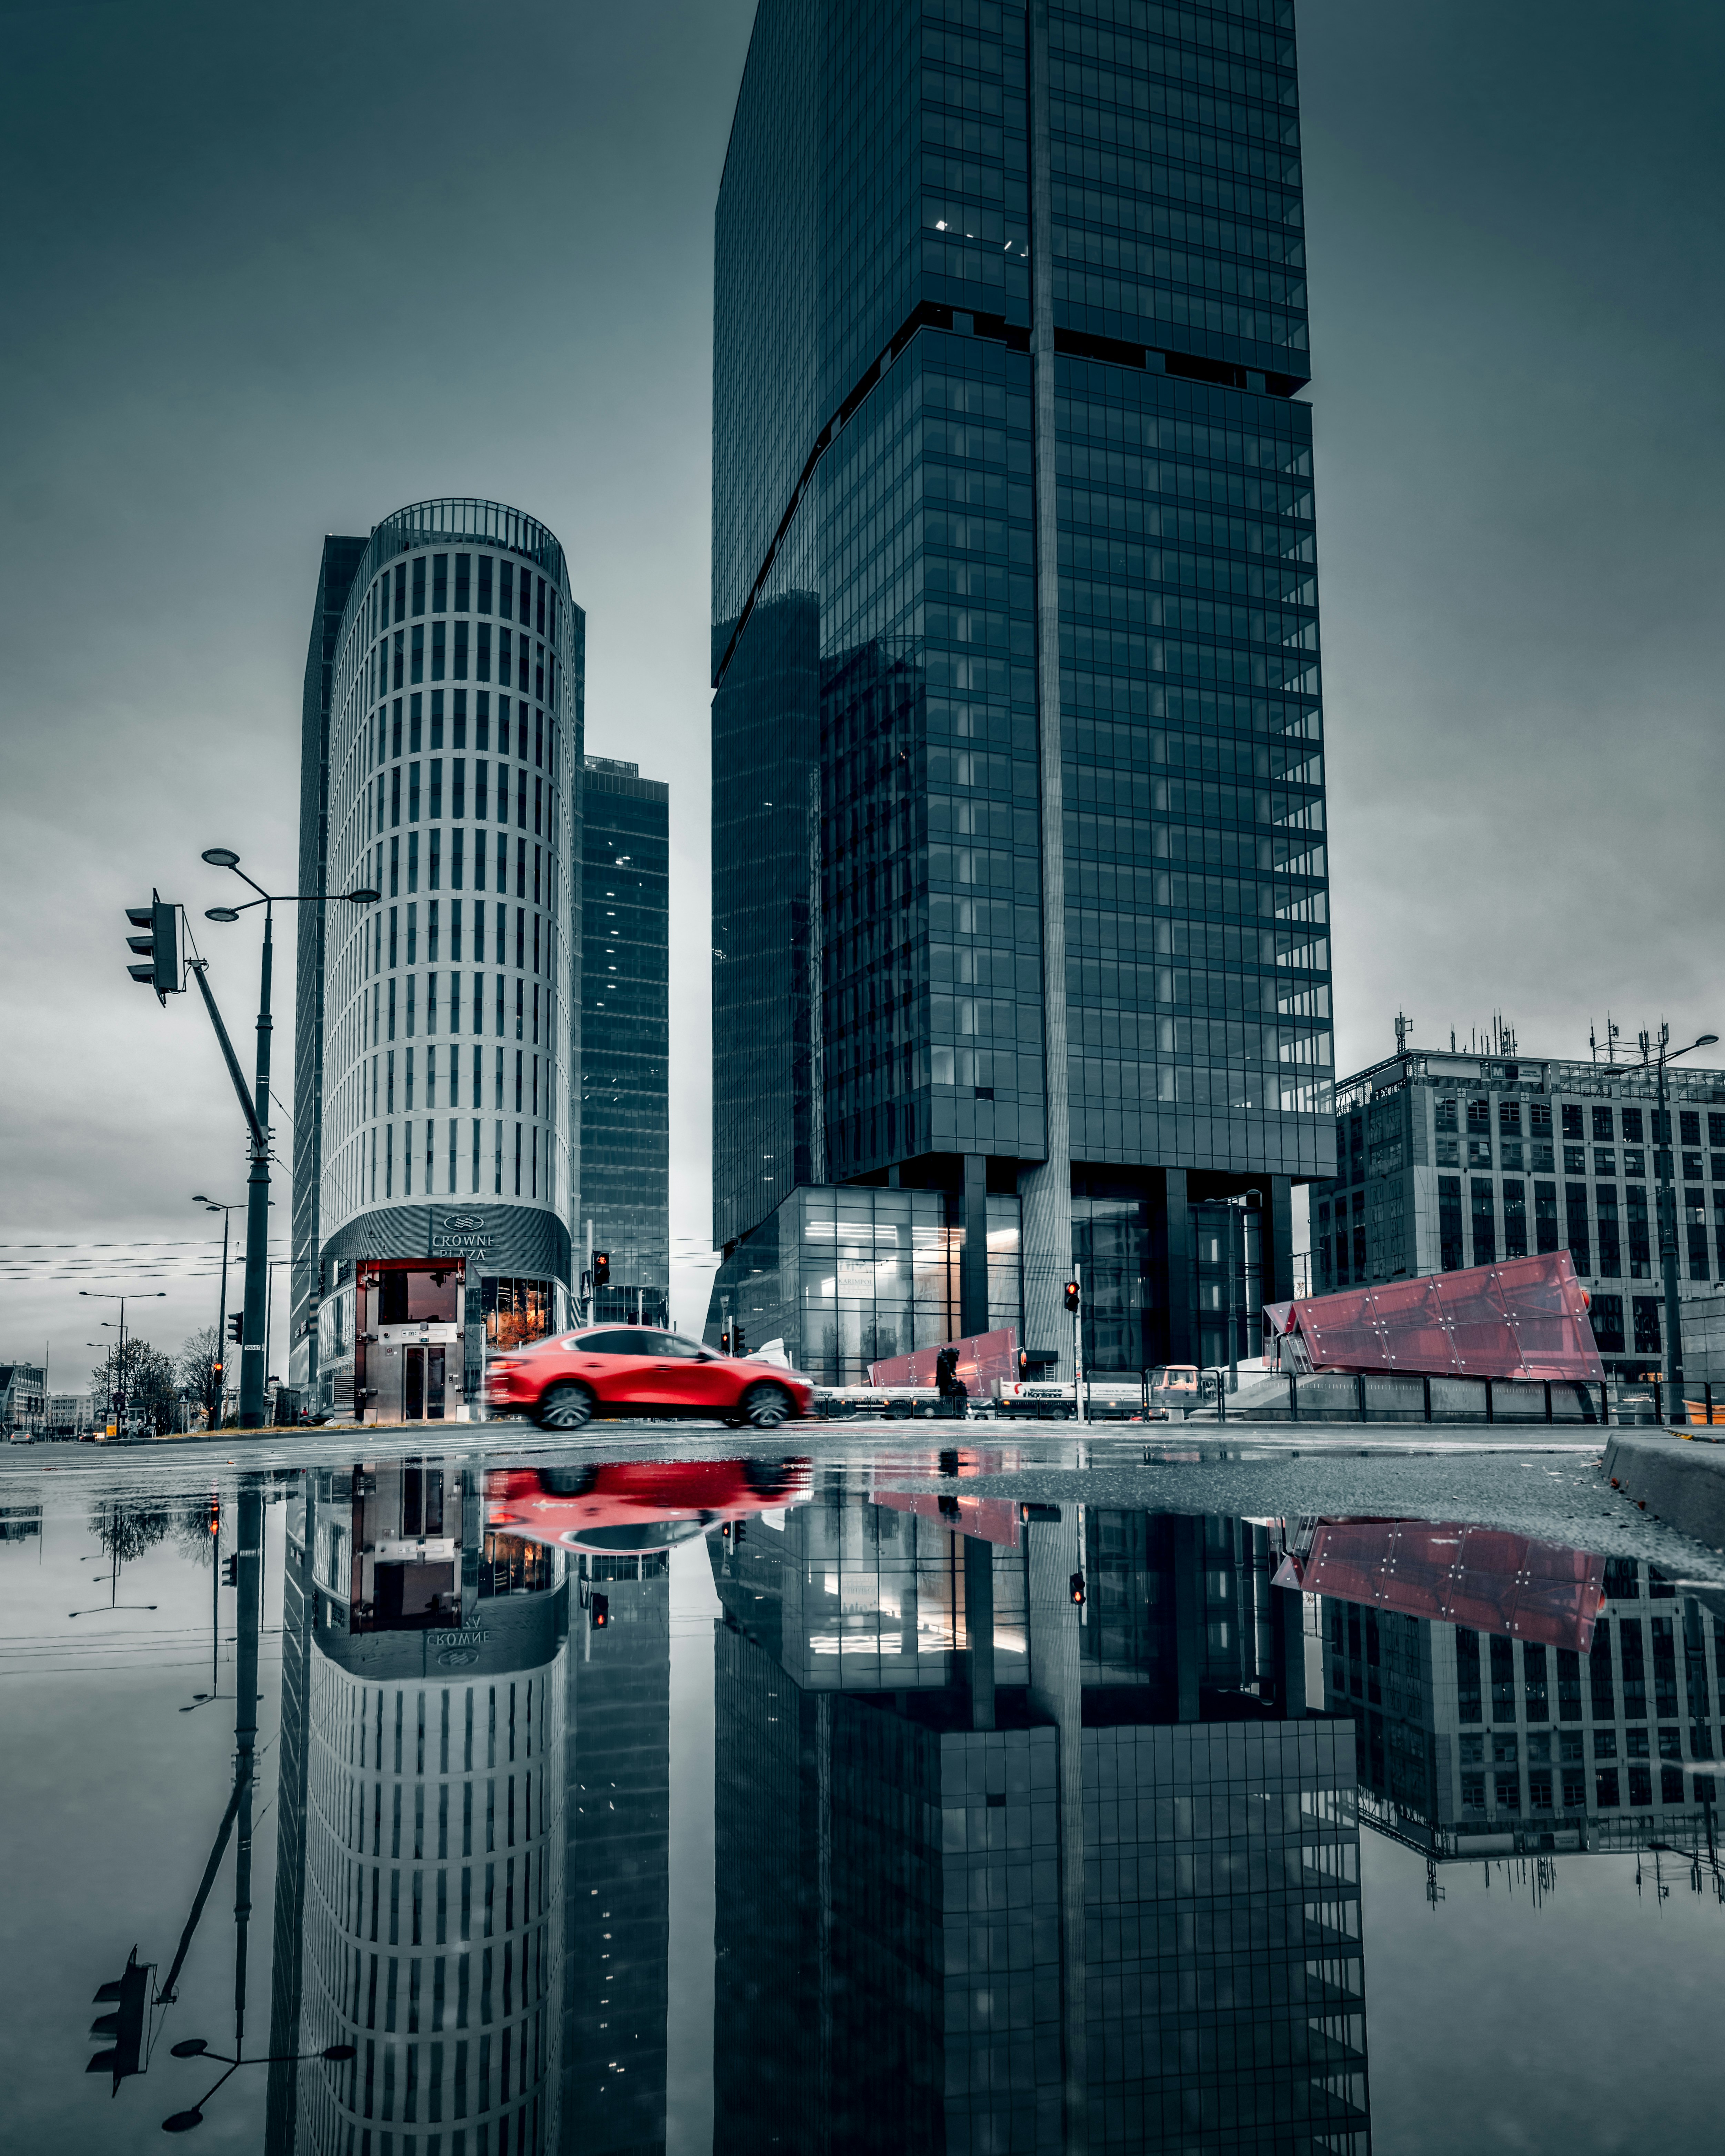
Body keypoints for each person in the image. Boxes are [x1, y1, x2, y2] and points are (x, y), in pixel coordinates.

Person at [935, 1344, 968, 1420]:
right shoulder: (945, 1361)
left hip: (948, 1379)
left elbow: (955, 1362)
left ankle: (955, 1412)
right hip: (946, 1380)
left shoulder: (949, 1361)